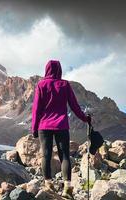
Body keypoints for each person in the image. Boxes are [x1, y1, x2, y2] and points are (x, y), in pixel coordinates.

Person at [31, 60, 91, 199]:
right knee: (64, 156)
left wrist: (34, 127)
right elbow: (75, 106)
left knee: (46, 155)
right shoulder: (64, 85)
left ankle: (48, 184)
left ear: (46, 69)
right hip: (61, 125)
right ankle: (67, 187)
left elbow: (36, 109)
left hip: (44, 126)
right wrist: (85, 118)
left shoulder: (41, 85)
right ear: (59, 70)